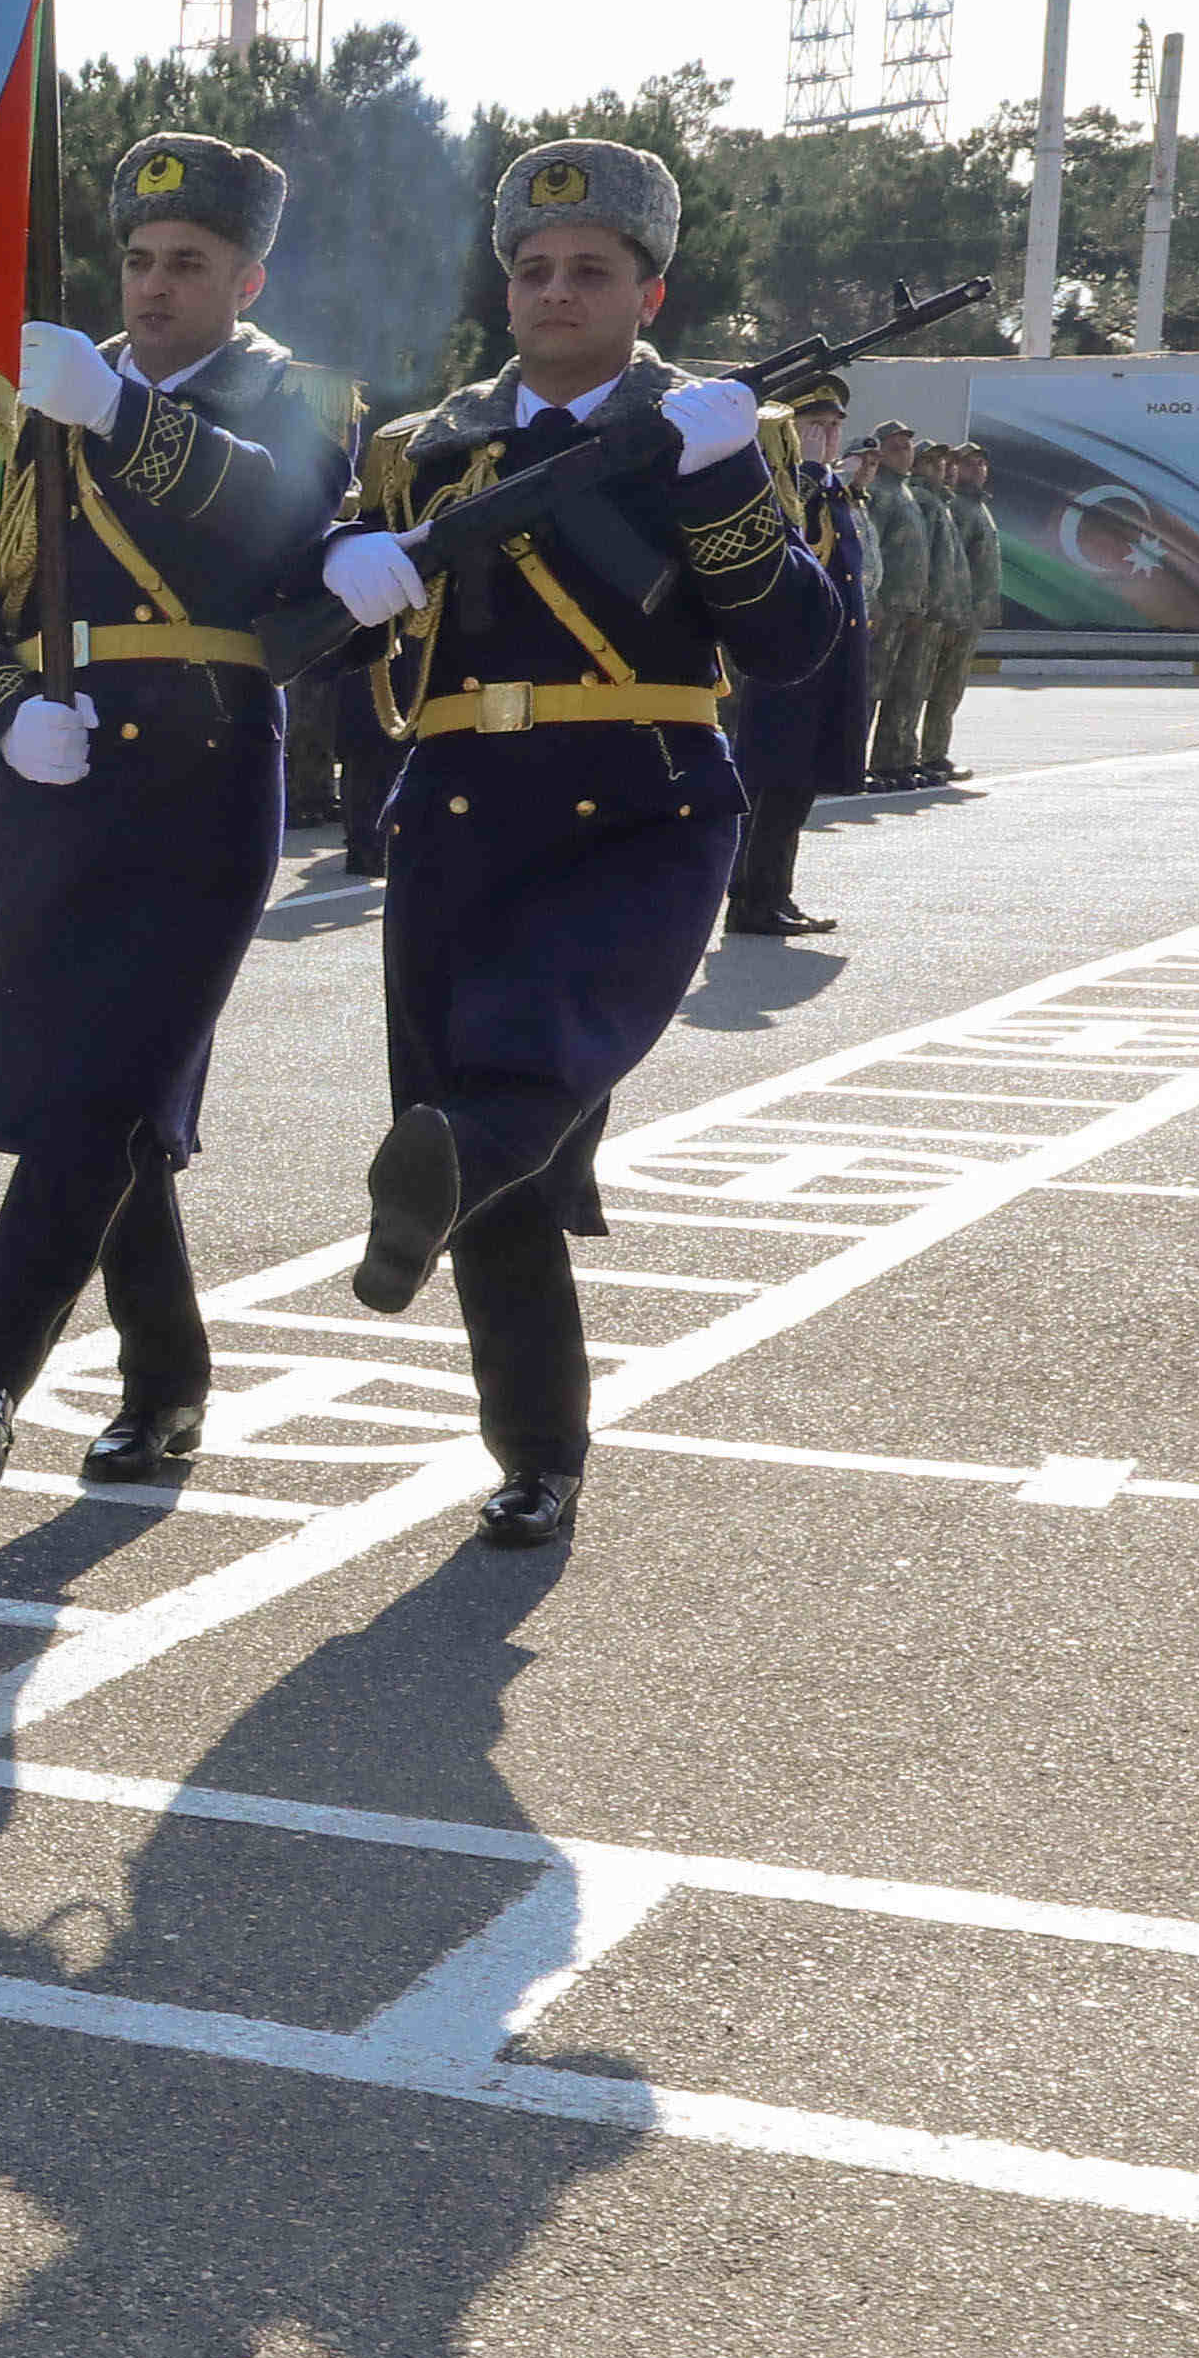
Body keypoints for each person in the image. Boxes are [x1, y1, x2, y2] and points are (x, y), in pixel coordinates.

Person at [321, 138, 840, 1551]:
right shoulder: (422, 448)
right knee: (494, 1166)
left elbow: (791, 645)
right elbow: (323, 653)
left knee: (518, 1076)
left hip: (640, 799)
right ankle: (535, 1453)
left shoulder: (721, 430)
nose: (555, 290)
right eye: (531, 270)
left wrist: (725, 488)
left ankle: (431, 1175)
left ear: (646, 291)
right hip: (455, 809)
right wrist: (348, 570)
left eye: (589, 271)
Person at [0, 133, 339, 1491]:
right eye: (139, 260)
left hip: (201, 777)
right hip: (59, 768)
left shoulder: (299, 394)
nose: (152, 286)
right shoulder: (37, 400)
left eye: (187, 264)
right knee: (98, 1095)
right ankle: (165, 1379)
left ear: (245, 276)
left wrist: (116, 416)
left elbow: (275, 518)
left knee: (95, 1085)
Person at [724, 381, 872, 938]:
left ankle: (771, 893)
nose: (829, 438)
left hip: (825, 660)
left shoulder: (832, 488)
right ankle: (754, 900)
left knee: (797, 784)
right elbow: (795, 550)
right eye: (814, 427)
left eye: (835, 427)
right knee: (775, 780)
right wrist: (805, 473)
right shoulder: (784, 487)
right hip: (791, 661)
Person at [857, 421, 942, 788]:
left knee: (899, 688)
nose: (905, 454)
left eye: (908, 447)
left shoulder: (905, 492)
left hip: (907, 610)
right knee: (868, 689)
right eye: (895, 448)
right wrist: (871, 600)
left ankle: (893, 760)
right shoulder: (877, 492)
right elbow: (867, 552)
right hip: (883, 607)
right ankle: (851, 762)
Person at [923, 439, 1000, 781]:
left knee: (950, 687)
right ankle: (929, 754)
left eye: (982, 464)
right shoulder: (957, 508)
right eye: (969, 464)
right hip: (954, 614)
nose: (976, 470)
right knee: (935, 686)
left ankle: (934, 751)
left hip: (970, 615)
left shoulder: (977, 506)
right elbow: (952, 565)